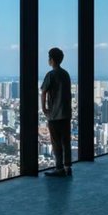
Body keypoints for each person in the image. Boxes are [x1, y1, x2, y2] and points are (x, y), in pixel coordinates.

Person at [41, 47, 72, 177]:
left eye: (49, 58)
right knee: (66, 142)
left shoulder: (51, 75)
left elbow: (43, 92)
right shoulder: (66, 74)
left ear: (52, 60)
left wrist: (43, 108)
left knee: (56, 143)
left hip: (54, 115)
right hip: (66, 114)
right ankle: (68, 167)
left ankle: (59, 168)